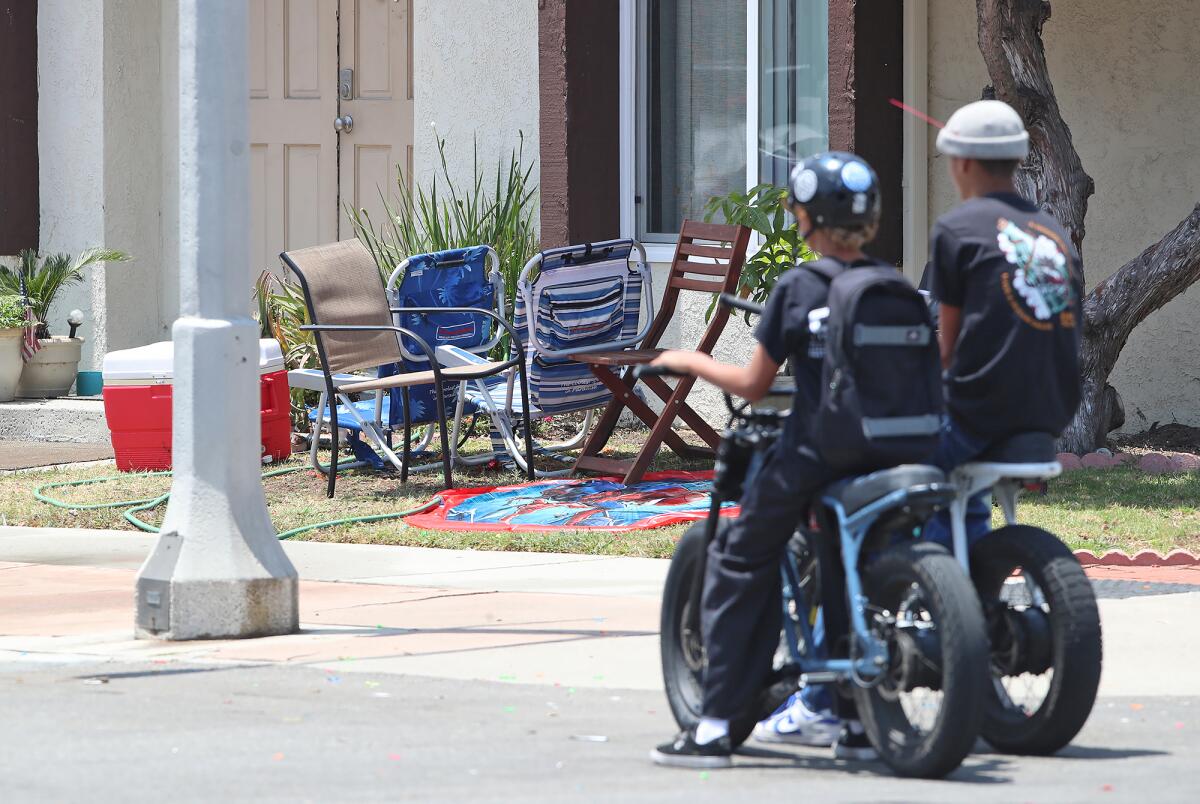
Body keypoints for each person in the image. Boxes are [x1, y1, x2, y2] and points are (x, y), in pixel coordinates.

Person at [649, 152, 890, 768]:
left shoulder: (801, 287)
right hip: (888, 457)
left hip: (818, 453)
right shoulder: (886, 283)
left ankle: (713, 728)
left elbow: (755, 384)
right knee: (841, 567)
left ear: (808, 220)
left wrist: (687, 362)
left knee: (738, 559)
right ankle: (854, 722)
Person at [920, 100, 1083, 549]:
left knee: (889, 457)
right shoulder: (1052, 231)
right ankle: (975, 559)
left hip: (982, 409)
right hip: (1053, 408)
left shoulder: (957, 230)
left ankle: (930, 576)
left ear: (964, 162)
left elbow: (946, 351)